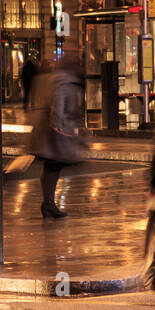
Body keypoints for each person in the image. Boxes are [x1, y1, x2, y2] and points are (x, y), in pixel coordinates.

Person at [28, 54, 89, 218]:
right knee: (53, 165)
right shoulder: (65, 80)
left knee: (52, 166)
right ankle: (48, 203)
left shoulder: (57, 78)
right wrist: (58, 128)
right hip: (54, 131)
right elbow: (59, 104)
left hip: (50, 129)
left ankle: (48, 203)